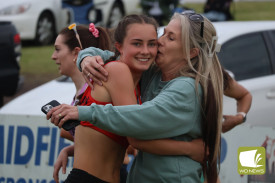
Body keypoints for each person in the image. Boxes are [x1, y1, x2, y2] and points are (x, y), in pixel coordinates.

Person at [48, 11, 224, 183]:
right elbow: (117, 57)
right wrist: (85, 58)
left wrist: (82, 112)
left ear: (192, 52)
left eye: (170, 38)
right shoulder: (152, 74)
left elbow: (137, 122)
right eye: (163, 34)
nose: (159, 42)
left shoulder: (186, 89)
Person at [51, 23, 111, 142]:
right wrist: (68, 151)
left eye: (58, 49)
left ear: (76, 53)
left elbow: (120, 149)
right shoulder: (82, 91)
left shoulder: (96, 91)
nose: (53, 56)